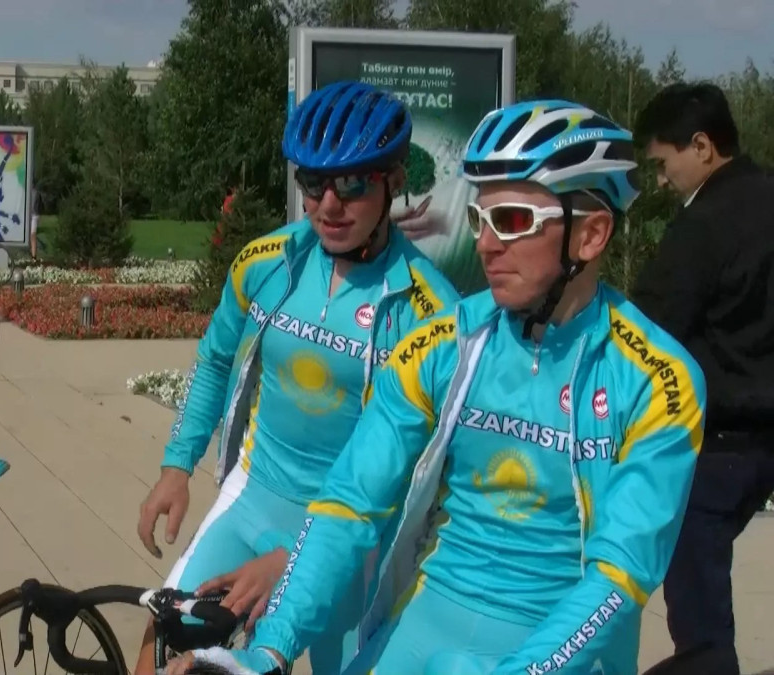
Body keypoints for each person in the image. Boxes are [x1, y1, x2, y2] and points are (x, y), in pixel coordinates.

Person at [166, 99, 707, 675]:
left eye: (513, 221)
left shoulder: (658, 381)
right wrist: (269, 649)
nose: (486, 244)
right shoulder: (441, 346)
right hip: (427, 619)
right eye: (480, 219)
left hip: (559, 648)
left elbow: (620, 573)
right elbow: (351, 504)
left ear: (591, 234)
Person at [135, 81, 460, 675]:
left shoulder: (430, 311)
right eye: (313, 183)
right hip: (253, 498)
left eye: (352, 184)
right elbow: (214, 359)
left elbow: (417, 474)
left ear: (392, 180)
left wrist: (297, 559)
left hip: (355, 545)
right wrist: (176, 467)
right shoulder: (266, 262)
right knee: (163, 641)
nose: (328, 205)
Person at [629, 83, 774, 675]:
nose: (662, 181)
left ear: (702, 146)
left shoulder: (704, 225)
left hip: (718, 442)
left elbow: (648, 331)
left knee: (696, 605)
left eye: (663, 164)